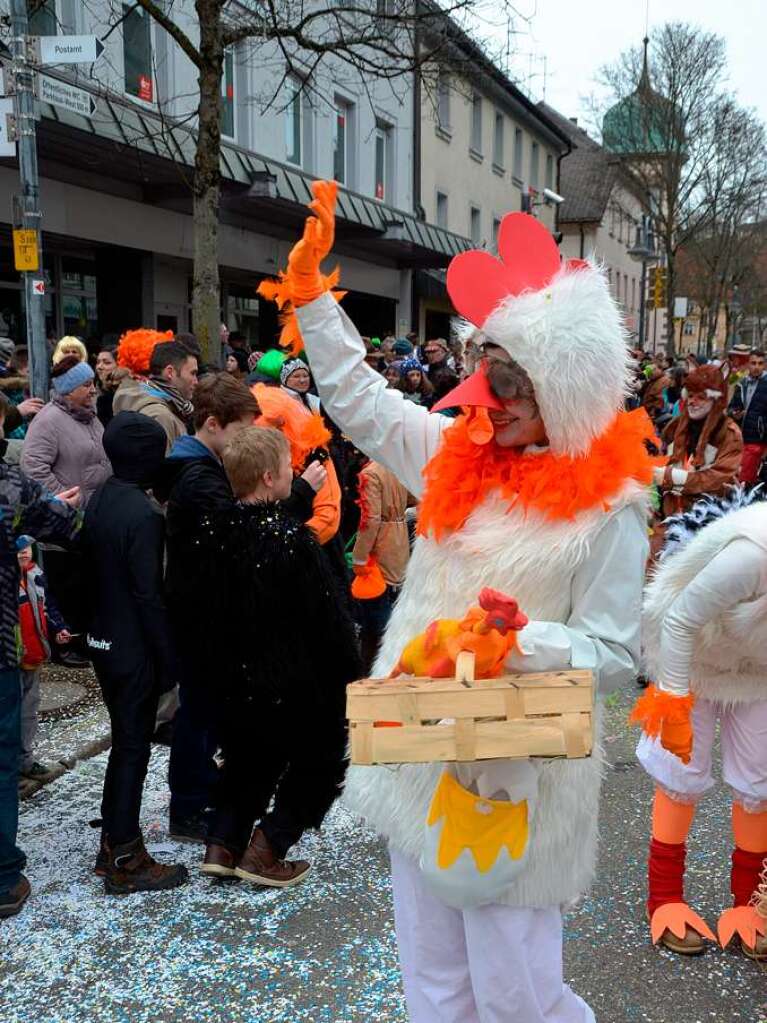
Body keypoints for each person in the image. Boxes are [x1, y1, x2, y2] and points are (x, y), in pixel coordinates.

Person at [270, 181, 653, 1022]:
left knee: (518, 992)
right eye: (488, 370)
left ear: (566, 390)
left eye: (512, 381)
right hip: (421, 746)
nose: (489, 398)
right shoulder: (453, 452)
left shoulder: (610, 510)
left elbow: (619, 656)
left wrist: (528, 640)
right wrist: (314, 302)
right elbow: (365, 405)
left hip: (519, 778)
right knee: (434, 983)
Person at [198, 426, 360, 886]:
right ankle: (267, 847)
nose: (294, 474)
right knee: (323, 760)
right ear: (270, 477)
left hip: (237, 675)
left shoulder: (213, 531)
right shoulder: (294, 542)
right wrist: (351, 677)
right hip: (296, 679)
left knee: (250, 755)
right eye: (288, 468)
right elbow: (327, 621)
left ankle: (223, 841)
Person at [634, 489, 767, 959]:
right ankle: (665, 899)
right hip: (693, 656)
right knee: (679, 774)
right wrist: (671, 702)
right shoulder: (755, 552)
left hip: (757, 669)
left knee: (759, 779)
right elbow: (680, 620)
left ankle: (750, 906)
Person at [83, 412, 188, 895]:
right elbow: (149, 594)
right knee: (132, 748)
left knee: (126, 743)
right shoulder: (144, 515)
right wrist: (169, 659)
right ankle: (124, 852)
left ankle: (115, 841)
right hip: (132, 646)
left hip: (103, 639)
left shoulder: (102, 495)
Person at [155, 374, 260, 842]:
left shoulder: (200, 467)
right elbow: (234, 536)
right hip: (198, 613)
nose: (246, 443)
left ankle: (200, 790)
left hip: (203, 609)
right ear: (213, 425)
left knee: (205, 707)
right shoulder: (198, 476)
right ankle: (189, 807)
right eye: (241, 433)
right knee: (197, 710)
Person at [0, 392, 80, 919]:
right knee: (2, 755)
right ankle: (3, 876)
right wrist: (62, 509)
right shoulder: (7, 483)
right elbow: (63, 526)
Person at [16, 534, 71, 780]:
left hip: (33, 654)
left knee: (28, 709)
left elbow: (47, 606)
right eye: (17, 547)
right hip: (10, 659)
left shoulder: (35, 574)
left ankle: (25, 760)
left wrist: (59, 628)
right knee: (9, 714)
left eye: (26, 545)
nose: (23, 551)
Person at [655, 363, 742, 517]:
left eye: (701, 397)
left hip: (705, 517)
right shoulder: (675, 426)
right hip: (671, 515)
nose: (692, 402)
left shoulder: (729, 433)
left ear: (716, 401)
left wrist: (670, 477)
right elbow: (661, 459)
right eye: (690, 395)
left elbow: (720, 479)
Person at [351, 458, 411, 673]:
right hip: (400, 540)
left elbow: (370, 520)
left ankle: (371, 668)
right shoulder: (396, 466)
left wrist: (359, 558)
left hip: (381, 547)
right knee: (396, 605)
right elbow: (415, 496)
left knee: (375, 618)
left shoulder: (371, 474)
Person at [114, 339, 198, 453]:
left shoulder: (150, 395)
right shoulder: (161, 416)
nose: (196, 381)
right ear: (170, 372)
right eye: (192, 373)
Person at [728, 350, 767, 484]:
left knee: (745, 478)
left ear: (765, 365)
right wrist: (734, 413)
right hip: (738, 438)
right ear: (748, 364)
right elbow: (732, 406)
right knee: (735, 476)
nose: (756, 366)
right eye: (753, 363)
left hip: (757, 438)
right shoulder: (741, 382)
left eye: (760, 363)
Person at [94, 345, 120, 427]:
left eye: (106, 363)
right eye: (98, 362)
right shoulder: (92, 392)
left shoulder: (126, 395)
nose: (99, 367)